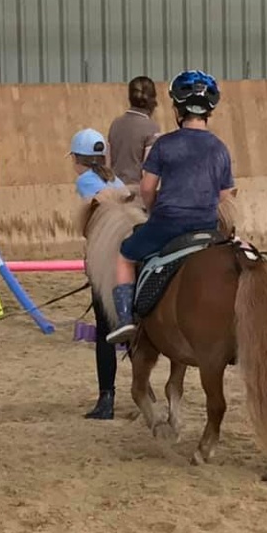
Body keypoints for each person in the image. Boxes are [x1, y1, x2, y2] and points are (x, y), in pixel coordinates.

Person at [106, 70, 235, 346]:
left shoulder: (165, 144)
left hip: (167, 224)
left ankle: (126, 320)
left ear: (177, 109)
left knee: (125, 255)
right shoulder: (220, 149)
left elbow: (147, 188)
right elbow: (225, 195)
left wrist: (153, 210)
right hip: (206, 226)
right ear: (209, 112)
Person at [69, 128, 126, 420]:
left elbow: (94, 220)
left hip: (105, 260)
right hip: (127, 257)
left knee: (105, 330)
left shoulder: (84, 183)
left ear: (78, 159)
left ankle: (106, 398)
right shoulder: (115, 180)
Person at [107, 76, 161, 191]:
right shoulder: (152, 128)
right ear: (153, 101)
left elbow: (108, 162)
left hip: (114, 191)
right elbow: (149, 171)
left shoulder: (115, 124)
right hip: (136, 194)